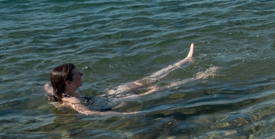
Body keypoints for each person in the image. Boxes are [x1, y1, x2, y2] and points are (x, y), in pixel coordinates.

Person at [47, 43, 215, 116]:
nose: (82, 75)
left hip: (108, 96)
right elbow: (91, 113)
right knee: (157, 89)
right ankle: (200, 77)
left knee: (143, 81)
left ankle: (184, 60)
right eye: (78, 74)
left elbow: (47, 86)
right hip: (111, 103)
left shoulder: (58, 91)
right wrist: (127, 114)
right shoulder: (73, 101)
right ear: (68, 82)